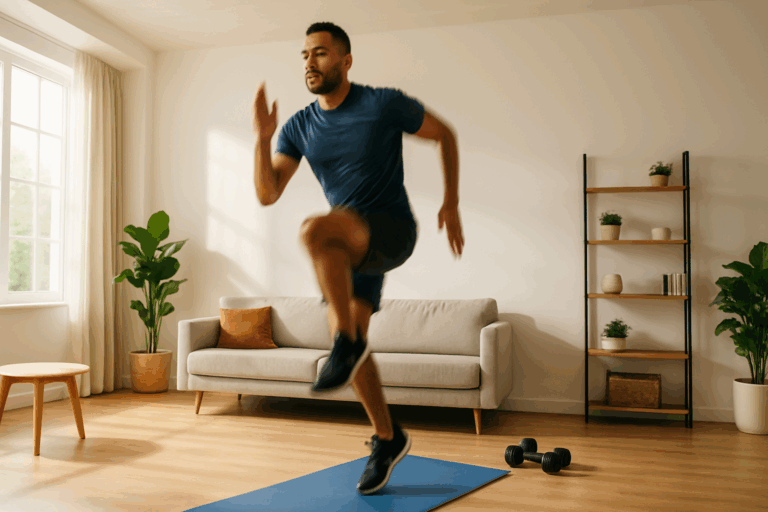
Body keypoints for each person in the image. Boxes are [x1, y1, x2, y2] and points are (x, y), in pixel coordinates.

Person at [252, 21, 464, 495]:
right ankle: (389, 438)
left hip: (390, 229)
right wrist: (262, 138)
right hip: (346, 248)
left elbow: (444, 134)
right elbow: (268, 194)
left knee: (314, 229)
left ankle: (344, 345)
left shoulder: (382, 103)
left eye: (321, 53)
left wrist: (450, 202)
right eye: (305, 55)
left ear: (346, 62)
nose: (311, 62)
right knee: (354, 342)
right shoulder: (300, 126)